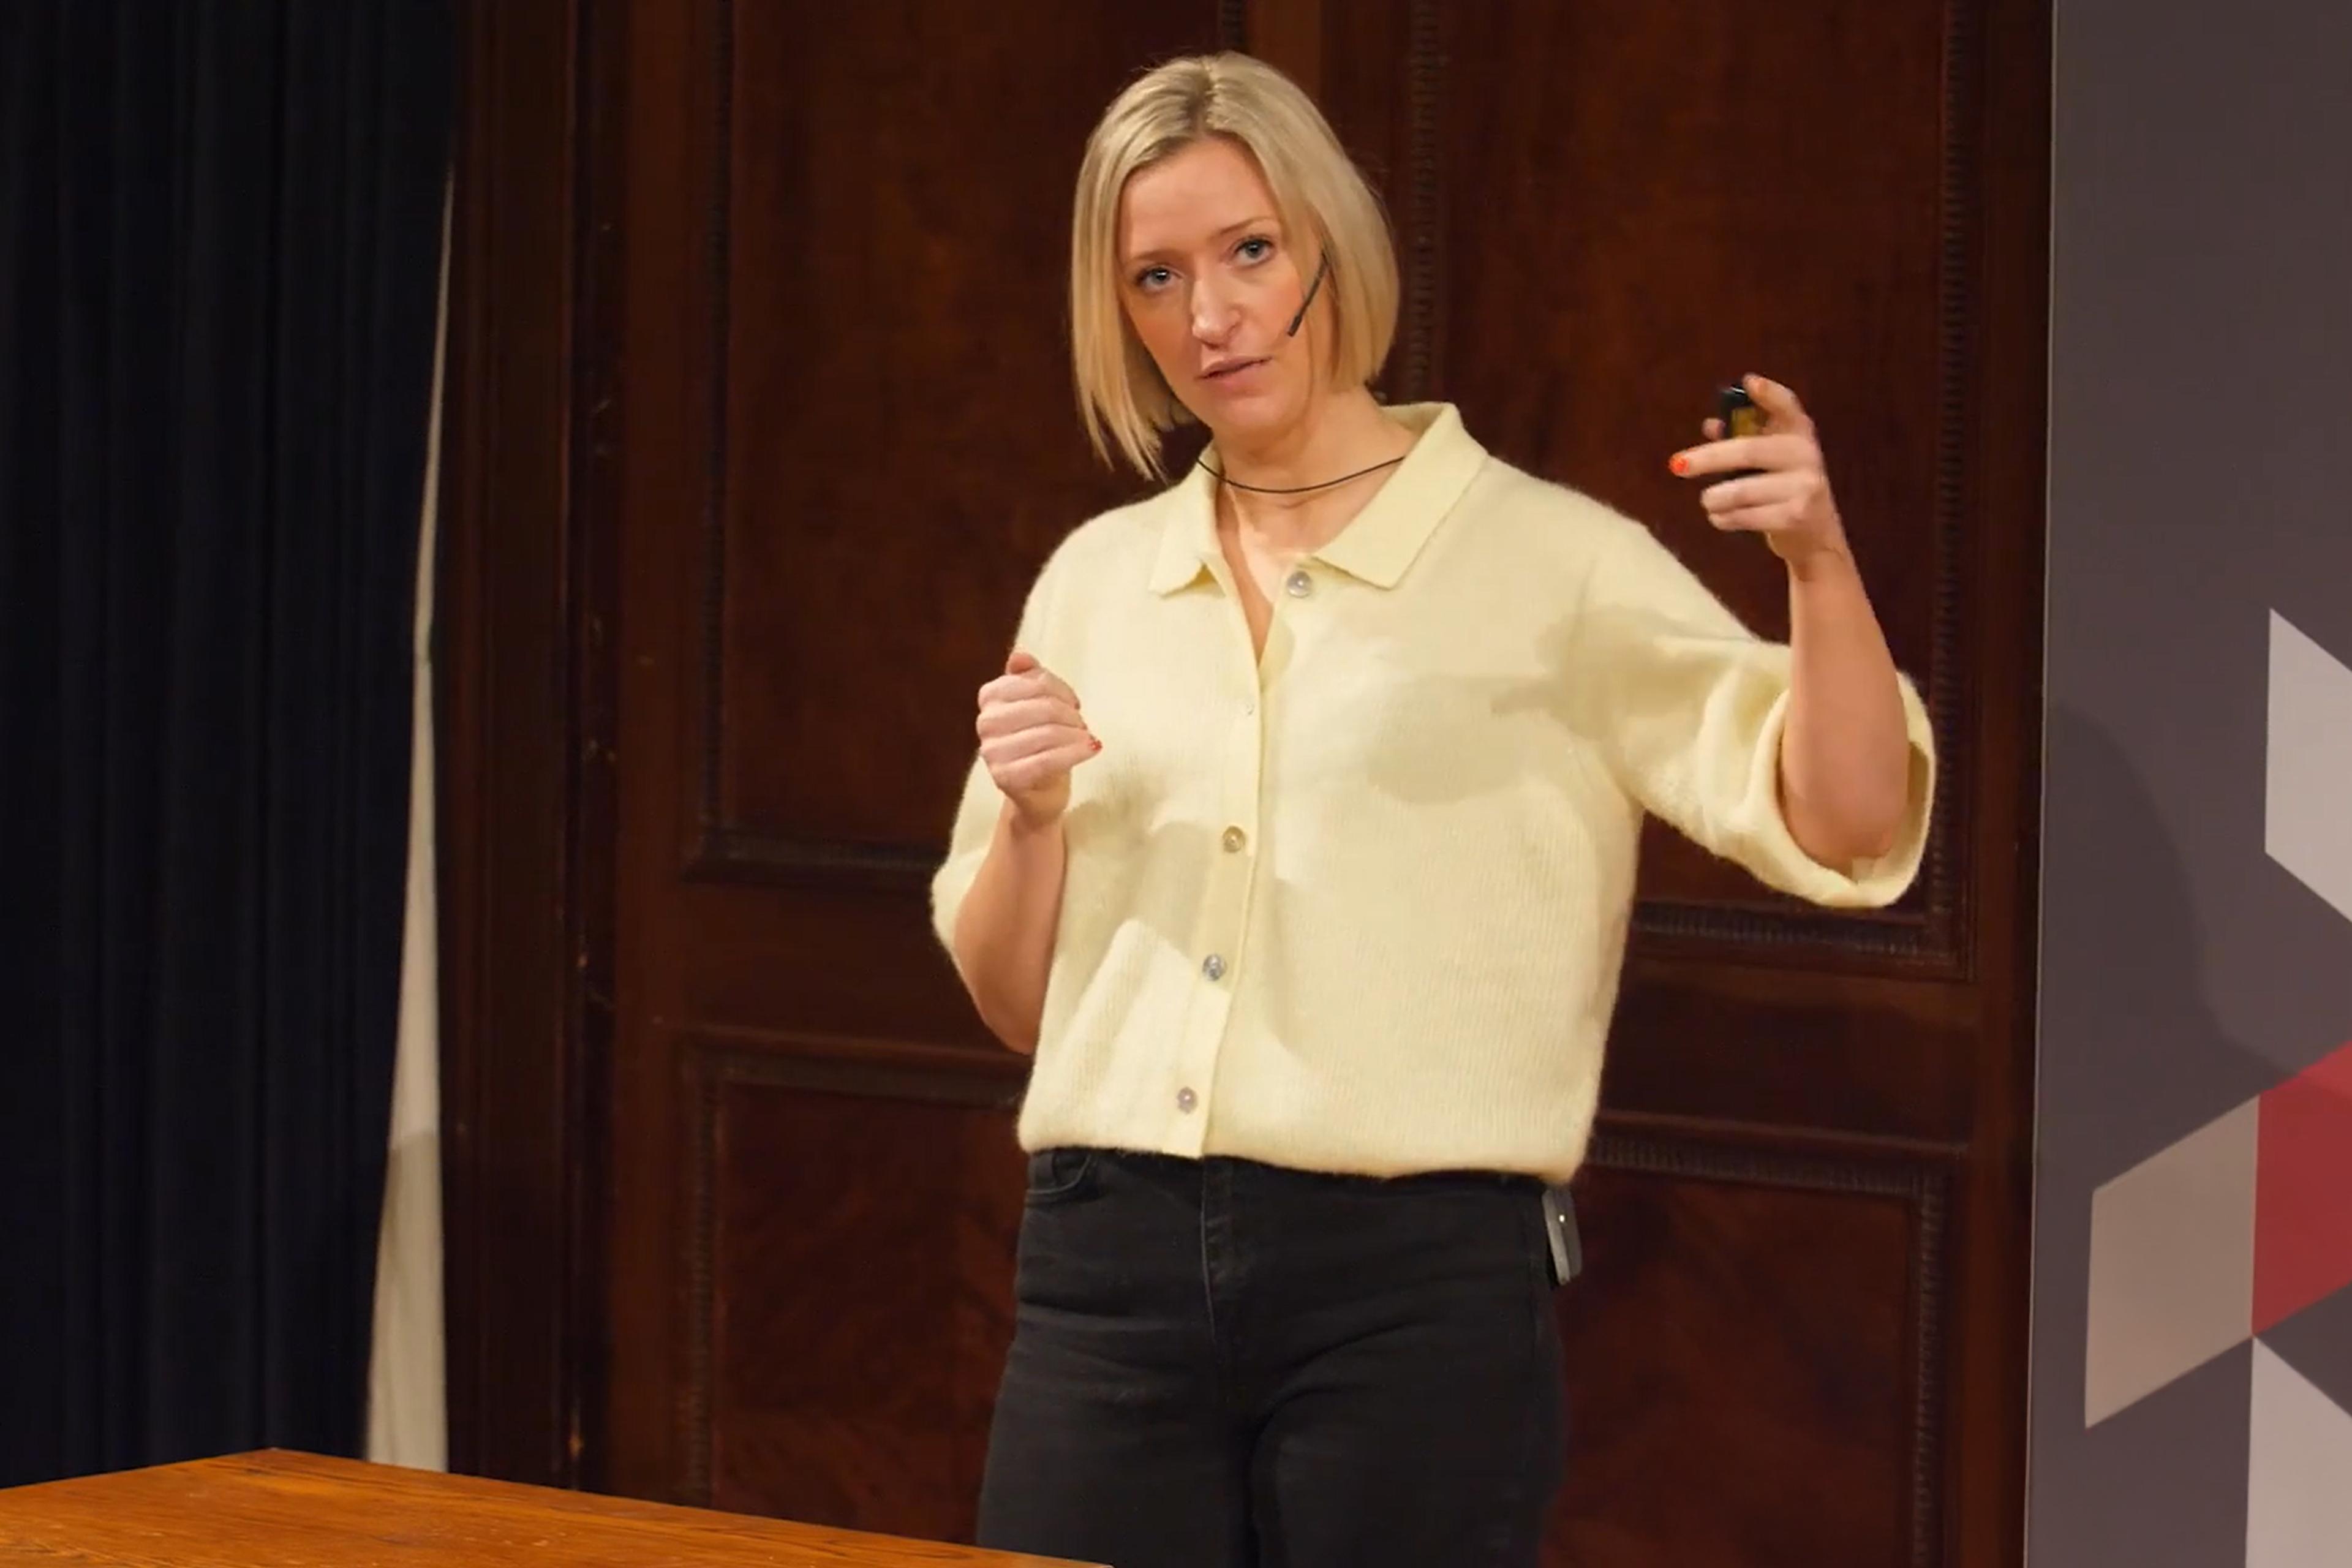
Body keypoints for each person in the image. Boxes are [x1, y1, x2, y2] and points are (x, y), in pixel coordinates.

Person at [927, 50, 1934, 1568]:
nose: (1210, 316)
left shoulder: (1547, 561)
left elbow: (1852, 820)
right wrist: (1035, 822)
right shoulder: (1095, 576)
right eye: (1155, 276)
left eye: (1249, 252)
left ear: (1333, 243)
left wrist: (1819, 563)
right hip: (1103, 1269)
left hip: (1409, 1289)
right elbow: (1019, 1008)